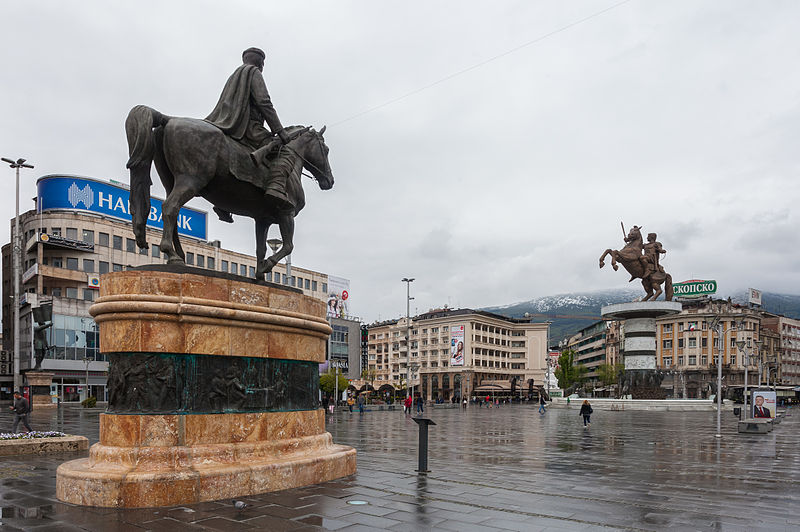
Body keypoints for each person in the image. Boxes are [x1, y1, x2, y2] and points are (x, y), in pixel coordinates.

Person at [206, 47, 291, 223]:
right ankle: (275, 188)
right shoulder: (254, 73)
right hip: (249, 126)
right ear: (260, 62)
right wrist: (280, 130)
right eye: (263, 62)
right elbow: (264, 102)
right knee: (282, 151)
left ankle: (222, 204)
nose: (263, 65)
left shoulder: (235, 75)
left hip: (227, 122)